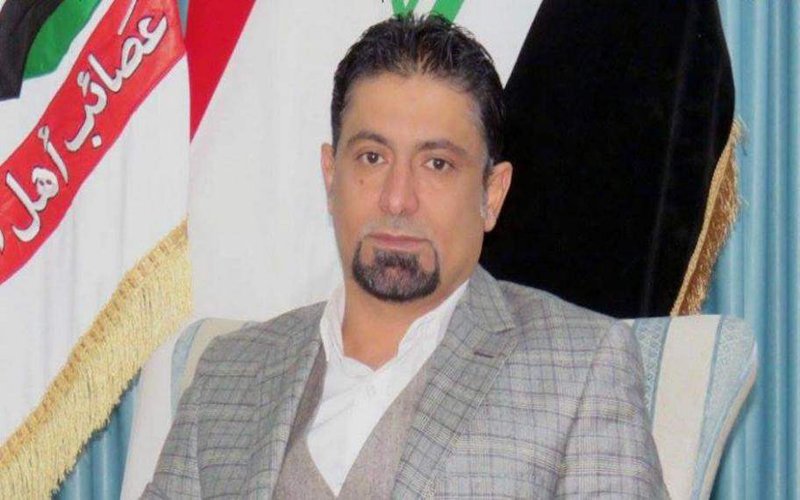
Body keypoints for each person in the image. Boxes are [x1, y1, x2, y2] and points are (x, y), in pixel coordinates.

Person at [144, 14, 666, 499]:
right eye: (372, 158)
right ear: (331, 177)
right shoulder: (228, 374)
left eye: (437, 164)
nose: (397, 199)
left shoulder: (580, 368)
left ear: (492, 194)